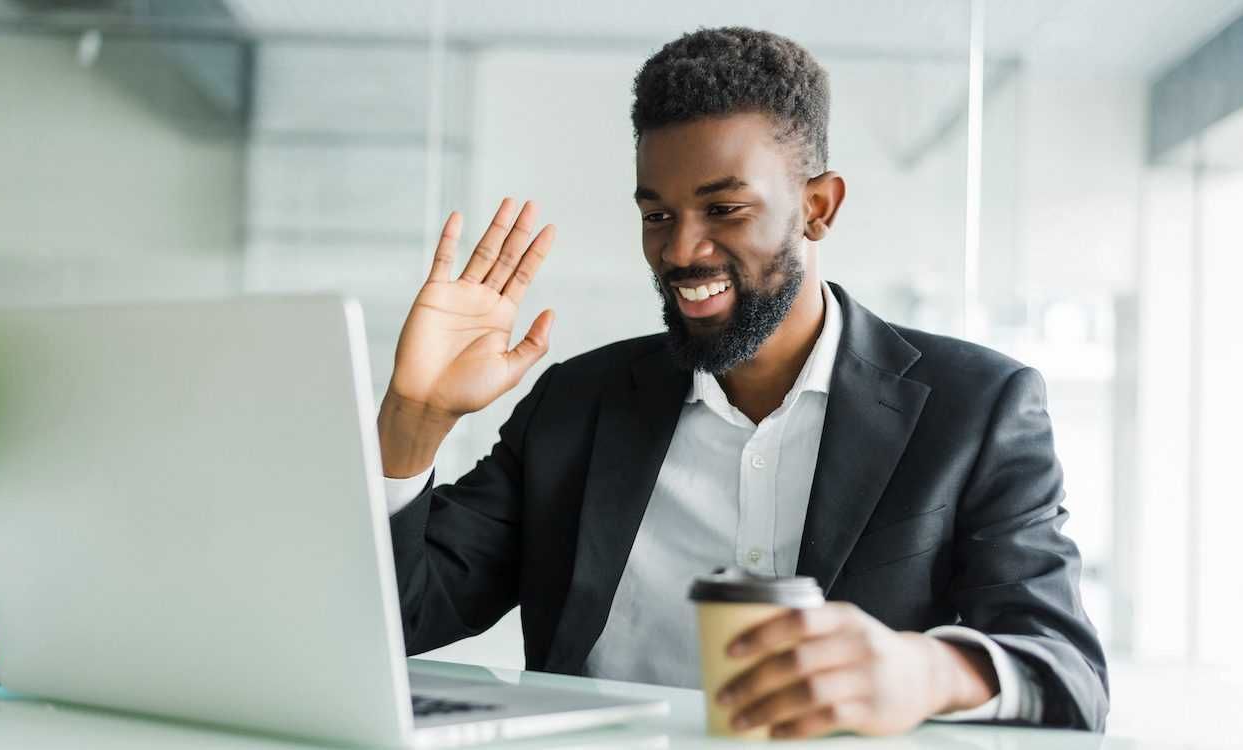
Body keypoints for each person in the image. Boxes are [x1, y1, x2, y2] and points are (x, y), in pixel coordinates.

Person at [377, 27, 1108, 738]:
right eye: (657, 214)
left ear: (817, 207)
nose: (681, 249)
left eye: (724, 209)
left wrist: (925, 671)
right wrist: (415, 418)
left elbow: (1068, 674)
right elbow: (403, 616)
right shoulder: (577, 404)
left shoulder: (976, 408)